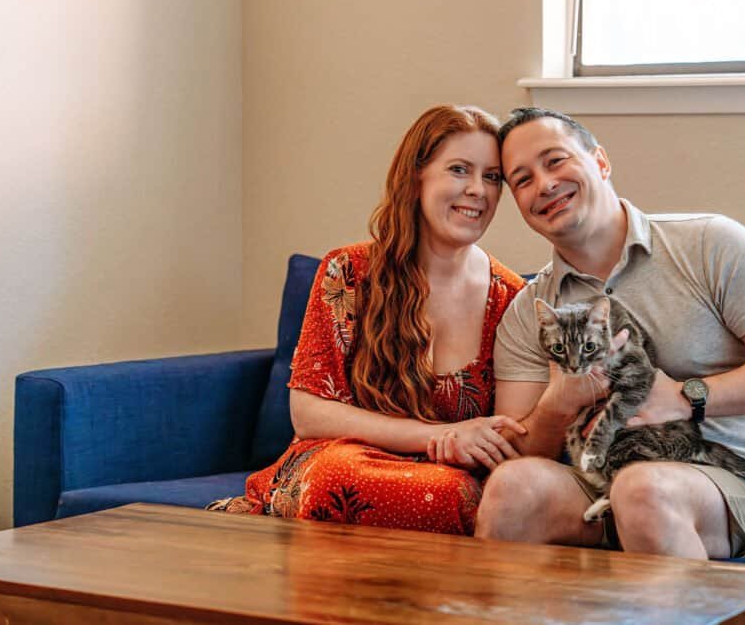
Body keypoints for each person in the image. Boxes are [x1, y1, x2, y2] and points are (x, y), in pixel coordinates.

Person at [474, 107, 745, 559]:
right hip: (599, 490)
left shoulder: (710, 244)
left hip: (730, 486)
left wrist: (684, 396)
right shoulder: (531, 313)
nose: (545, 184)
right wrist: (560, 401)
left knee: (643, 489)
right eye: (523, 180)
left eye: (555, 161)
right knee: (513, 487)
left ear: (601, 161)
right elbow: (518, 450)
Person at [209, 104, 526, 535]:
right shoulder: (348, 273)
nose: (478, 190)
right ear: (416, 177)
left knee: (468, 493)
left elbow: (509, 434)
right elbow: (309, 415)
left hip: (451, 479)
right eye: (458, 169)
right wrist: (437, 436)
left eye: (492, 177)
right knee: (338, 478)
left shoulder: (513, 300)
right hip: (342, 461)